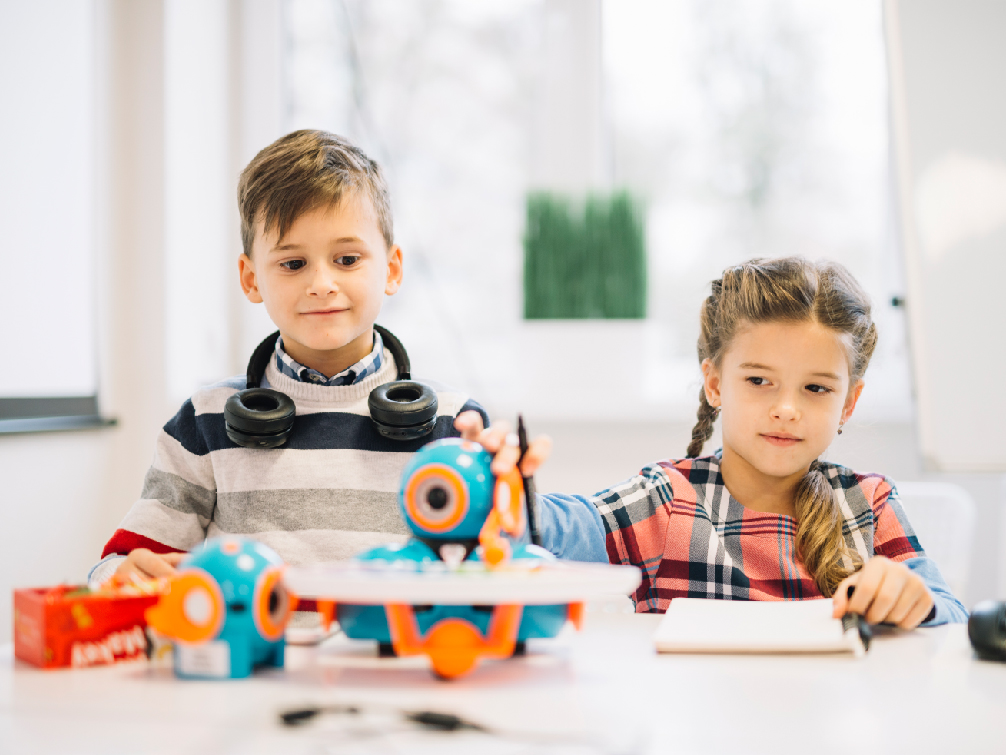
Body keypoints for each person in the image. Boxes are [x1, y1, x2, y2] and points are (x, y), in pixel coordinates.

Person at [458, 257, 967, 627]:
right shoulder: (669, 501)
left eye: (815, 388)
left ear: (848, 404)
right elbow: (548, 529)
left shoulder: (870, 505)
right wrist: (496, 484)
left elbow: (949, 616)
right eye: (759, 381)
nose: (786, 408)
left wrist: (914, 599)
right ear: (716, 383)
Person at [90, 130, 488, 585]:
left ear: (392, 269)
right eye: (293, 264)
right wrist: (118, 577)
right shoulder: (203, 422)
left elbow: (500, 568)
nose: (321, 283)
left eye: (347, 259)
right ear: (251, 278)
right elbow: (122, 567)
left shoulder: (457, 425)